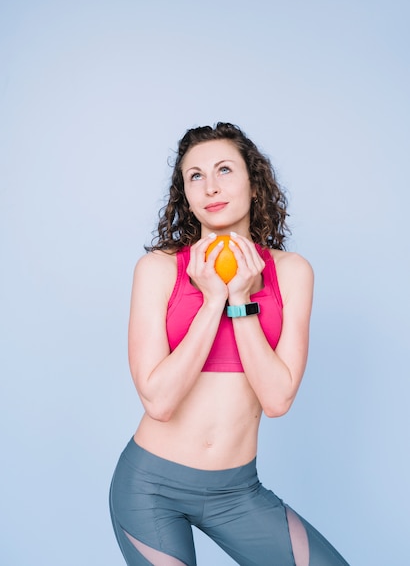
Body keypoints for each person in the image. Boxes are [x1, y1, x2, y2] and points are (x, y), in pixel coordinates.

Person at [109, 122, 350, 566]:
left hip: (237, 491)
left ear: (254, 184)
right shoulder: (158, 270)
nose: (210, 186)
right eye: (195, 176)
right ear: (185, 194)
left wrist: (240, 300)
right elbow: (159, 401)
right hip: (150, 489)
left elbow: (277, 399)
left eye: (224, 169)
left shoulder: (292, 272)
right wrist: (212, 300)